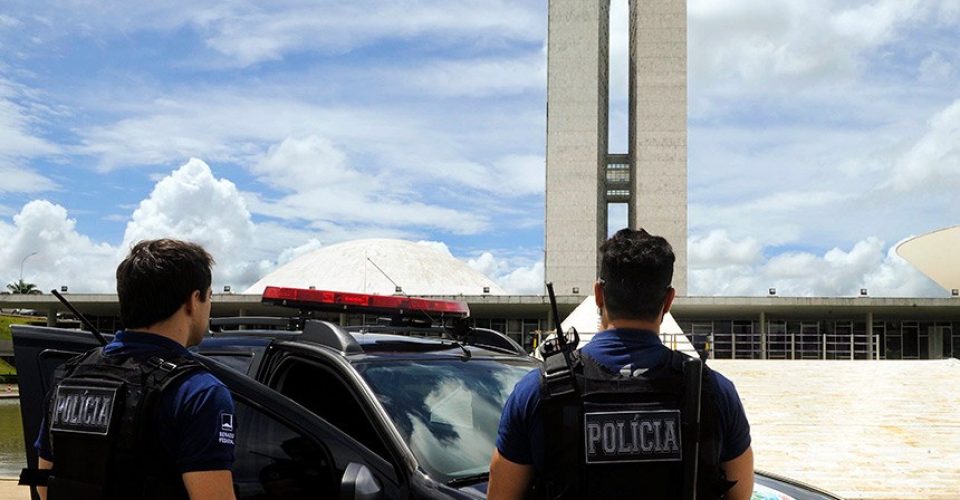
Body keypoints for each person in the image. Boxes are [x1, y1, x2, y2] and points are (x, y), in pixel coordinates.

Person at [488, 229, 753, 499]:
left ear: (598, 294)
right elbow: (740, 493)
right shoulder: (714, 392)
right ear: (669, 300)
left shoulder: (536, 391)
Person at [34, 239, 236, 500]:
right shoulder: (199, 392)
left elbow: (44, 484)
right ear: (193, 300)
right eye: (209, 297)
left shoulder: (70, 376)